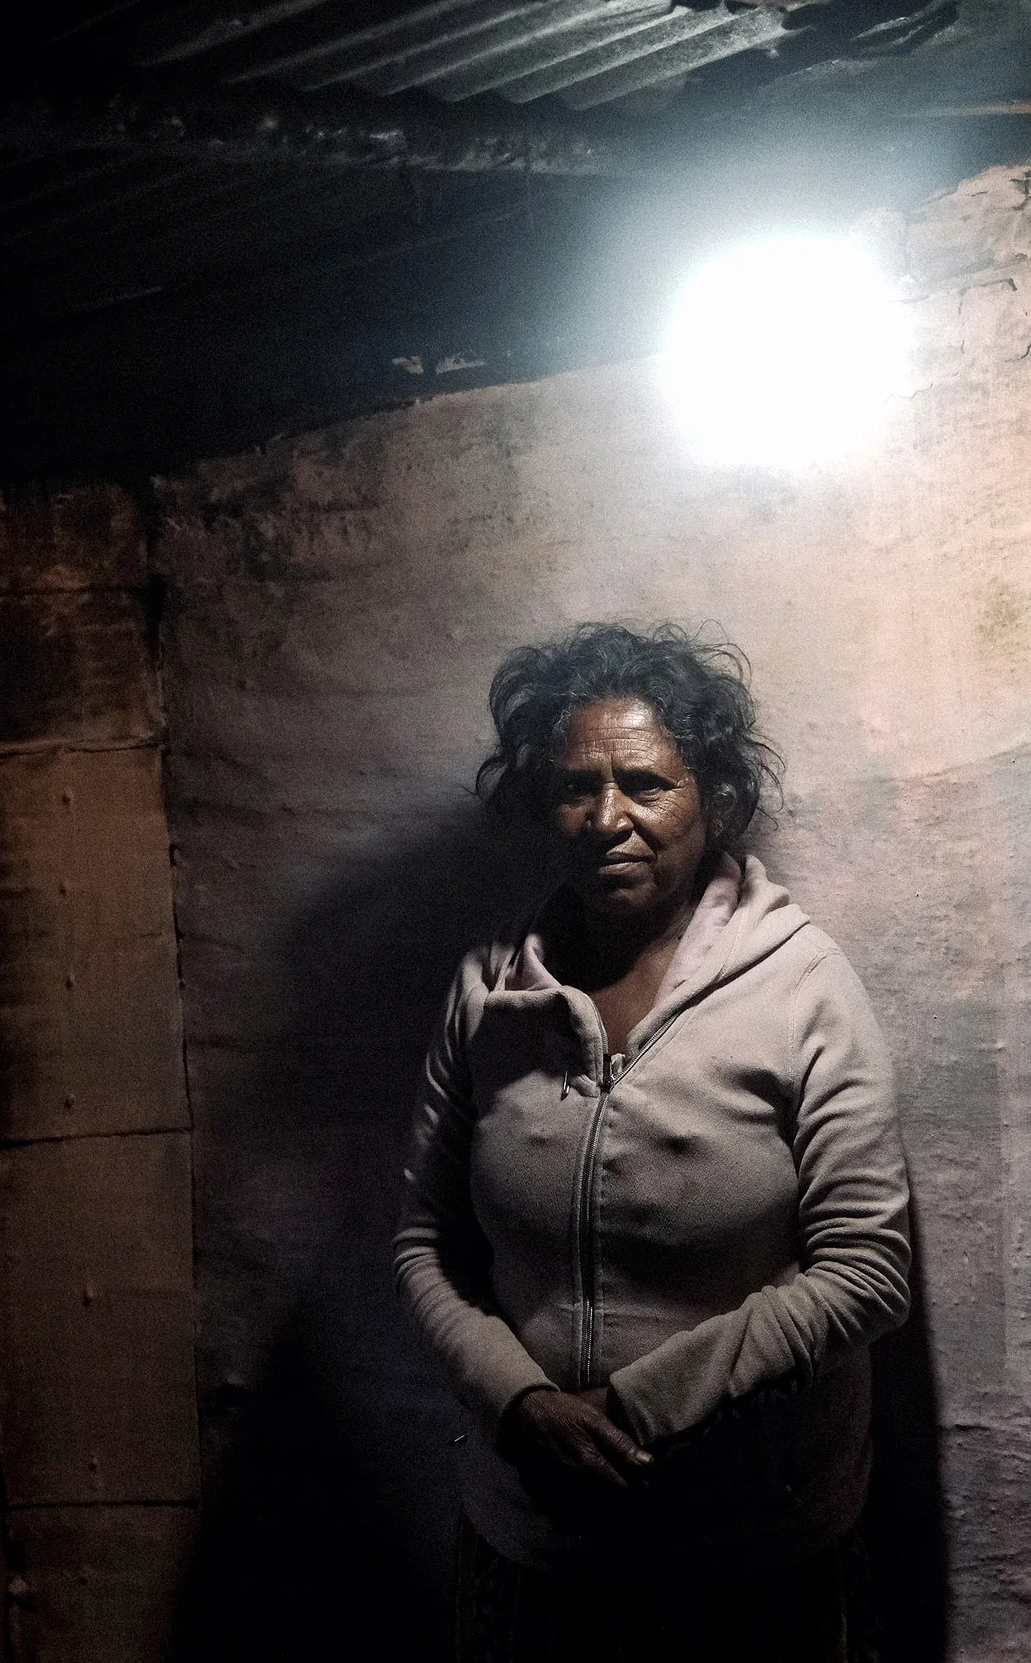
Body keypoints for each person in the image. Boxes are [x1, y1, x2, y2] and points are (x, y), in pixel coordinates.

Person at [393, 623, 912, 1663]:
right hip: (530, 1541)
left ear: (712, 796)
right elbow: (425, 1240)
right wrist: (520, 1402)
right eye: (574, 786)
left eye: (645, 782)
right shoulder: (489, 991)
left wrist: (636, 1410)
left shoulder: (800, 985)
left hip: (745, 1553)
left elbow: (867, 1268)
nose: (606, 818)